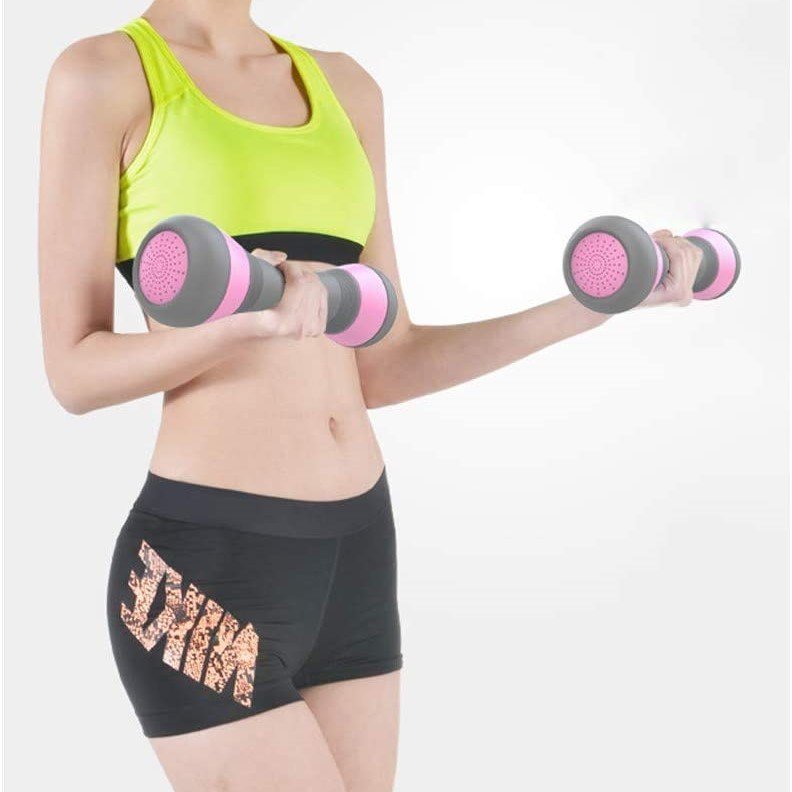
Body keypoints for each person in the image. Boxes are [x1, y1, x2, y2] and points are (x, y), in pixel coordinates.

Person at [38, 2, 704, 789]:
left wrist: (593, 306)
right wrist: (244, 326)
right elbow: (74, 372)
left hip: (356, 555)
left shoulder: (345, 86)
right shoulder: (104, 76)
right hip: (201, 575)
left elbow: (387, 361)